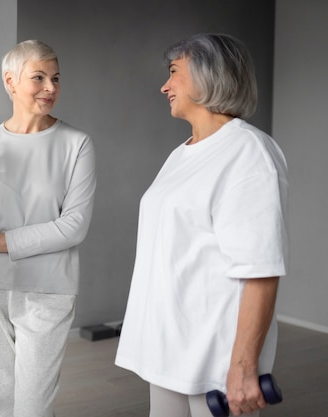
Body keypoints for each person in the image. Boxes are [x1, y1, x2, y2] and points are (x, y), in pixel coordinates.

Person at [114, 33, 288, 417]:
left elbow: (261, 269)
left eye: (174, 72)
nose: (164, 85)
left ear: (210, 76)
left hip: (214, 358)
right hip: (169, 349)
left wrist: (243, 367)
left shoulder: (248, 152)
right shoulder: (182, 153)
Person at [0, 39, 96, 417]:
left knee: (32, 407)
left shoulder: (76, 144)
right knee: (0, 401)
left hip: (49, 287)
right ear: (10, 81)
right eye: (39, 77)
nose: (51, 87)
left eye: (56, 78)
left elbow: (74, 226)